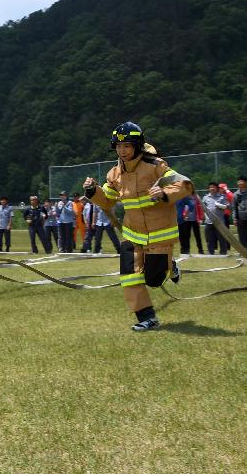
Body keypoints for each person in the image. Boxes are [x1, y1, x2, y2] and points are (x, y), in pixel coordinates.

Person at [84, 121, 192, 331]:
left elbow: (184, 185)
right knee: (129, 277)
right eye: (118, 146)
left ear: (137, 146)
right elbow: (107, 201)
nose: (122, 151)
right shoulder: (114, 174)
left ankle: (170, 265)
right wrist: (92, 191)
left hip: (159, 235)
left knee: (153, 280)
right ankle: (147, 317)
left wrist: (164, 193)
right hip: (132, 235)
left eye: (127, 146)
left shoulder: (156, 167)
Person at [202, 182, 229, 255]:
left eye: (213, 187)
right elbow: (203, 207)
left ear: (217, 188)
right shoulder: (205, 197)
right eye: (210, 187)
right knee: (209, 238)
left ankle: (223, 252)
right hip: (209, 221)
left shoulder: (222, 197)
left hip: (219, 221)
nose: (212, 188)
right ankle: (210, 252)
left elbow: (227, 206)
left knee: (221, 237)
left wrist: (220, 205)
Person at [233, 175, 247, 250]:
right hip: (241, 218)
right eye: (238, 182)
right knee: (242, 235)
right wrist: (235, 218)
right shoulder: (236, 194)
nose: (239, 183)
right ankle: (244, 250)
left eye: (241, 181)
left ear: (245, 182)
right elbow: (234, 207)